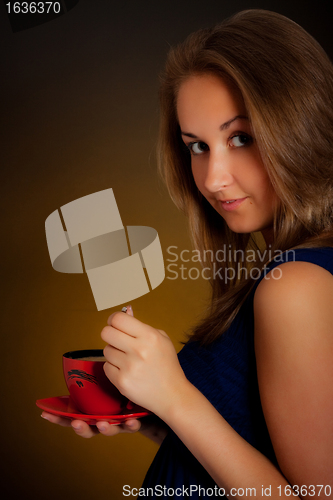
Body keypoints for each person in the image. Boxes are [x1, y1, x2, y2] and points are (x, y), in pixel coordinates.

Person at [42, 10, 333, 498]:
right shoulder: (290, 274)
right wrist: (153, 417)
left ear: (300, 127)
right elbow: (251, 454)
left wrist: (177, 398)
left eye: (241, 137)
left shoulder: (296, 288)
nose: (214, 179)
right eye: (197, 146)